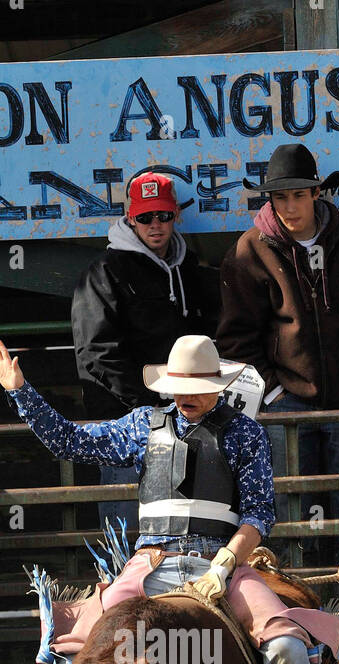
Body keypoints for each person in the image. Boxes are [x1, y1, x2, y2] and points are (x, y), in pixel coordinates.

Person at [0, 332, 339, 664]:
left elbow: (260, 515)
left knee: (287, 650)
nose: (187, 395)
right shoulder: (143, 425)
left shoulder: (245, 433)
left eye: (198, 385)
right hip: (149, 563)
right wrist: (20, 390)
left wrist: (224, 565)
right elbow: (71, 440)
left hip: (225, 563)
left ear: (219, 386)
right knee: (81, 656)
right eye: (180, 385)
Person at [217, 143, 339, 648]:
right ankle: (300, 632)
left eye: (298, 195)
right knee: (291, 517)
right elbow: (235, 339)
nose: (289, 207)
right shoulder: (250, 250)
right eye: (280, 197)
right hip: (286, 406)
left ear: (317, 192)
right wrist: (271, 392)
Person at [71, 172, 220, 531]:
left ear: (176, 217)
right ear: (130, 218)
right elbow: (96, 352)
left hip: (184, 418)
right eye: (145, 217)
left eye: (164, 216)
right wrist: (147, 404)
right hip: (123, 423)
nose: (156, 225)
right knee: (126, 527)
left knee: (180, 526)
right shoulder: (103, 271)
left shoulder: (189, 268)